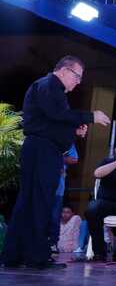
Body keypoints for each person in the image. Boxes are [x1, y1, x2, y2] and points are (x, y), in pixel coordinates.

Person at [1, 55, 110, 269]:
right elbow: (58, 114)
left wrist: (72, 131)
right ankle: (36, 257)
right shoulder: (50, 85)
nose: (78, 82)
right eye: (77, 76)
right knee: (40, 203)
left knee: (29, 203)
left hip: (39, 150)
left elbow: (51, 122)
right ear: (65, 71)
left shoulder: (49, 88)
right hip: (42, 151)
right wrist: (90, 116)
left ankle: (15, 255)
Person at [50, 140, 81, 252]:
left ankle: (52, 244)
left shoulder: (67, 141)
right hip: (39, 186)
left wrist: (56, 156)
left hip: (58, 188)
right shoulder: (42, 138)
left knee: (54, 217)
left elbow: (74, 159)